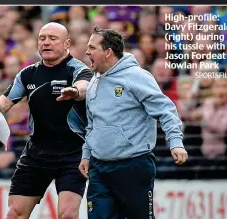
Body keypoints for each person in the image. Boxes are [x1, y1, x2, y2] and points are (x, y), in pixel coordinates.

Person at [0, 22, 93, 219]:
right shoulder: (28, 74)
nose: (46, 43)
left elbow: (84, 86)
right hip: (37, 153)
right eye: (42, 39)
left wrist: (74, 91)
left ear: (67, 43)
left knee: (67, 215)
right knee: (15, 213)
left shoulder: (78, 70)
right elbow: (5, 101)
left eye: (53, 39)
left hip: (72, 154)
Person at [78, 26, 188, 219]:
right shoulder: (94, 81)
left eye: (92, 47)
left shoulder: (137, 77)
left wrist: (176, 142)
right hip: (99, 169)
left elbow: (166, 110)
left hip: (133, 166)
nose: (87, 52)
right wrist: (86, 154)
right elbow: (92, 124)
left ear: (108, 52)